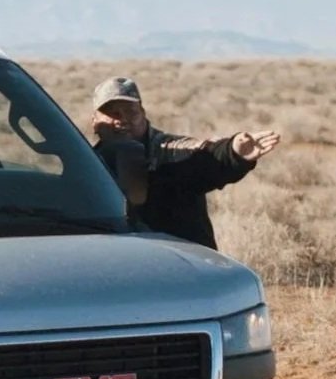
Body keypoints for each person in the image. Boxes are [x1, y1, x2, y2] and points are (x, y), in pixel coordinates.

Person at [89, 76, 279, 249]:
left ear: (143, 114)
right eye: (112, 113)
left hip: (181, 262)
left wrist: (233, 152)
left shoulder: (170, 151)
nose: (122, 120)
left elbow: (204, 157)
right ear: (95, 122)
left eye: (131, 112)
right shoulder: (85, 164)